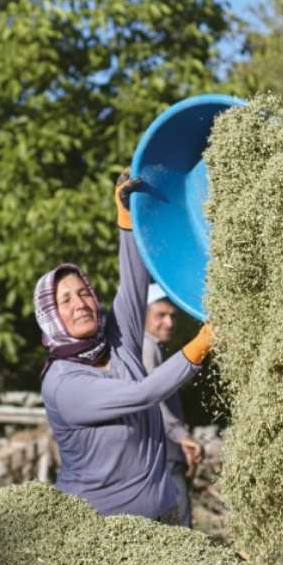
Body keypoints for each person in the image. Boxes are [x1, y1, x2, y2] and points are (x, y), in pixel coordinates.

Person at [35, 174, 213, 521]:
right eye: (65, 300)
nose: (80, 304)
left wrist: (126, 218)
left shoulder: (118, 342)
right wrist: (202, 344)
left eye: (83, 292)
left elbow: (134, 281)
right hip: (100, 532)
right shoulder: (62, 384)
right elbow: (142, 394)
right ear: (51, 317)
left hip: (163, 518)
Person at [141, 285, 204, 527]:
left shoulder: (156, 348)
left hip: (167, 450)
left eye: (173, 316)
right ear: (144, 316)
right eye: (160, 315)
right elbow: (152, 399)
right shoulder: (147, 349)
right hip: (164, 452)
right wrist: (181, 436)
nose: (168, 323)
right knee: (180, 526)